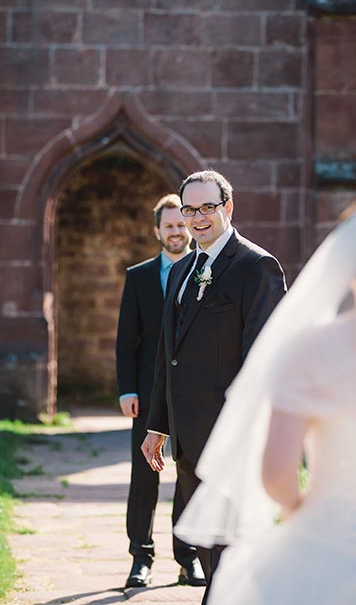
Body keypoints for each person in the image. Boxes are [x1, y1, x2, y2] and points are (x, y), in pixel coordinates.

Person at [173, 185, 356, 605]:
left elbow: (277, 473)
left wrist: (300, 512)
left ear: (348, 259)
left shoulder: (314, 349)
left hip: (331, 546)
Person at [141, 170, 286, 600]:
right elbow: (169, 352)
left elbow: (263, 357)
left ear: (228, 207)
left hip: (231, 434)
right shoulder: (184, 267)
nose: (197, 218)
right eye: (189, 209)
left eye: (207, 207)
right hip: (186, 435)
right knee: (206, 539)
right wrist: (157, 425)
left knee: (229, 542)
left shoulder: (256, 266)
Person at [115, 194, 205, 588]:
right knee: (144, 476)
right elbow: (126, 341)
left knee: (188, 474)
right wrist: (126, 389)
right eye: (168, 225)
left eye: (180, 224)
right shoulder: (138, 277)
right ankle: (141, 557)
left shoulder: (205, 270)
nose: (176, 231)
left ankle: (188, 558)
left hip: (189, 392)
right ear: (157, 231)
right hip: (148, 393)